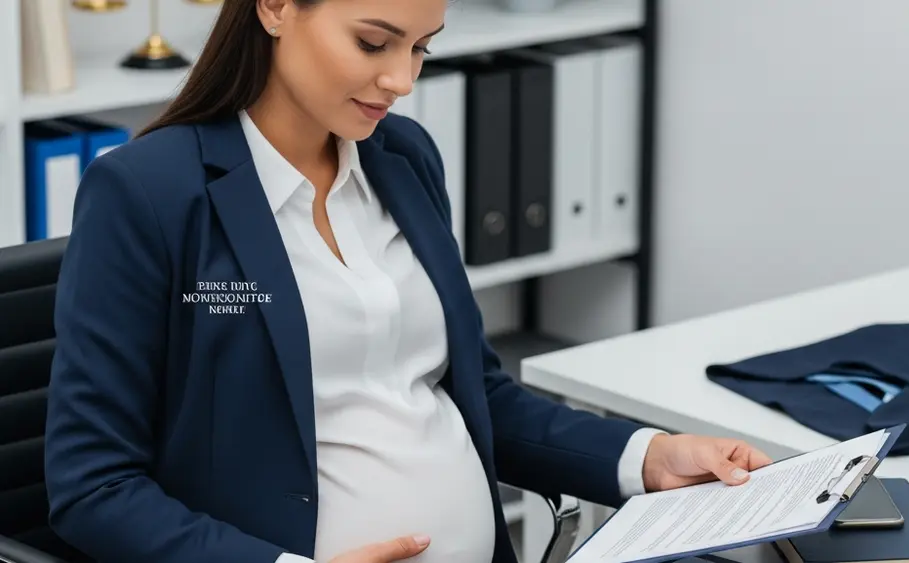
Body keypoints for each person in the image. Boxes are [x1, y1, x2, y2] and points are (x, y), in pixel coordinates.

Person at [43, 1, 773, 562]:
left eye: (422, 47)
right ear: (273, 8)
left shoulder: (402, 158)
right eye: (373, 41)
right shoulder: (148, 193)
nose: (402, 79)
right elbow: (92, 487)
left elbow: (476, 395)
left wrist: (644, 455)